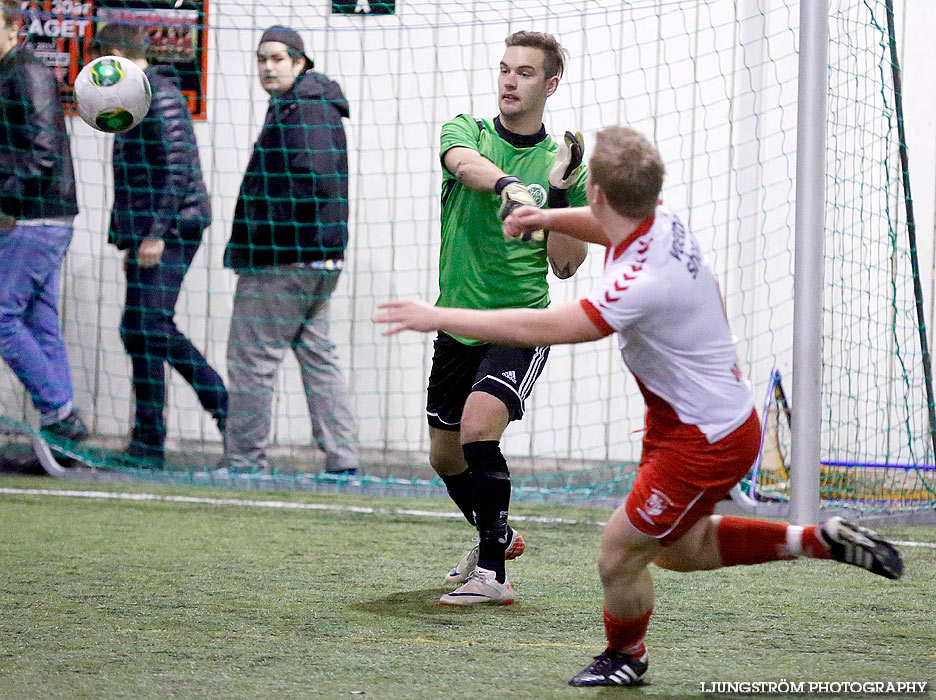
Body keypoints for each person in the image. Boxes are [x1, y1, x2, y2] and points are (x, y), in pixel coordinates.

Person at [375, 125, 904, 685]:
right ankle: (817, 541)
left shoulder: (637, 282)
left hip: (705, 438)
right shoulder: (663, 220)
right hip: (696, 421)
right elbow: (603, 228)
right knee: (675, 549)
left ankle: (627, 656)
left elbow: (546, 326)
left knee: (618, 554)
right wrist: (546, 217)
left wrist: (439, 316)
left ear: (597, 193)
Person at [419, 30, 589, 607]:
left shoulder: (562, 163)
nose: (510, 81)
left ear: (551, 84)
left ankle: (493, 573)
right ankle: (499, 533)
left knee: (477, 427)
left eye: (524, 72)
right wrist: (509, 185)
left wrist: (560, 197)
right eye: (504, 69)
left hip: (521, 322)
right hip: (457, 319)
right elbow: (462, 164)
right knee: (445, 457)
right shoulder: (468, 130)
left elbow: (566, 267)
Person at [221, 26, 359, 475]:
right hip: (317, 261)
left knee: (251, 363)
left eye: (277, 58)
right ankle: (344, 460)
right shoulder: (306, 105)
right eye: (261, 58)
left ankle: (244, 462)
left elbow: (311, 182)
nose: (267, 66)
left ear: (301, 62)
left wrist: (261, 232)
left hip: (285, 260)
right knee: (319, 358)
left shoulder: (305, 110)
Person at [89, 25, 227, 468]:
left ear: (112, 57)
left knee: (148, 326)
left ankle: (224, 414)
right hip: (152, 229)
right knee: (140, 330)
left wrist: (155, 233)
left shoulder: (160, 95)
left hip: (172, 228)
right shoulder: (135, 99)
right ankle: (150, 442)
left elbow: (177, 170)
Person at [0, 0, 88, 444]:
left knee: (1, 316)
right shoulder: (13, 72)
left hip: (35, 218)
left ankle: (60, 412)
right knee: (40, 322)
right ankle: (62, 430)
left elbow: (41, 154)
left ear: (14, 26)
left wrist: (5, 203)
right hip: (45, 216)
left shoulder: (25, 73)